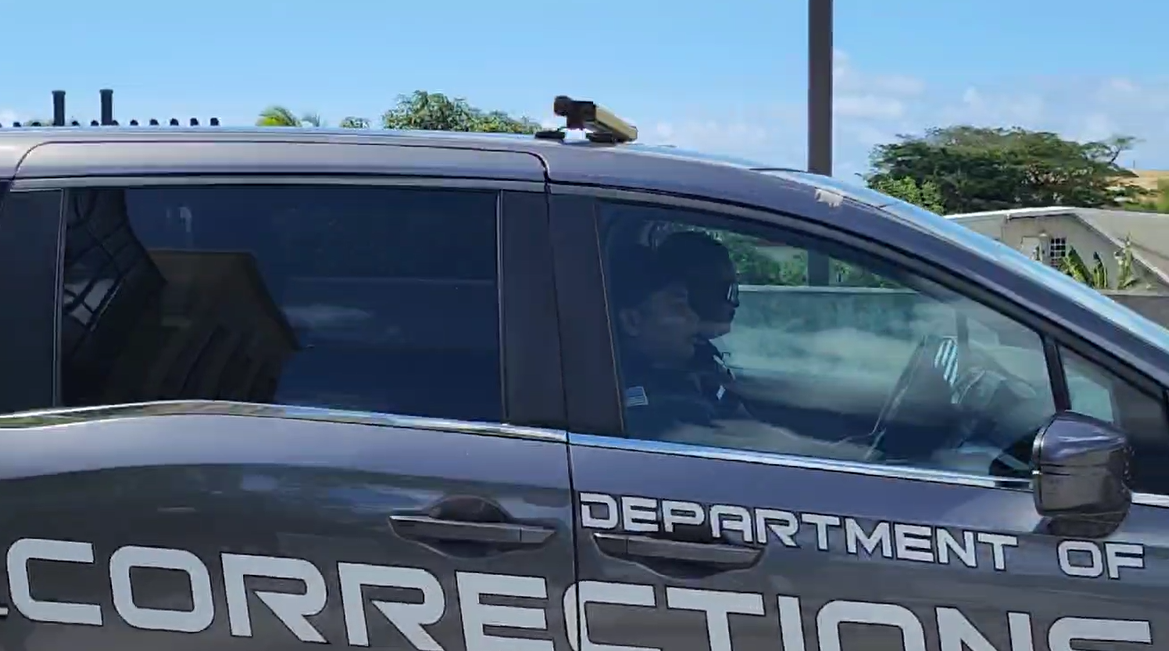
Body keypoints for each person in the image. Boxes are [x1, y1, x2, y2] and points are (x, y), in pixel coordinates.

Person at [609, 244, 747, 438]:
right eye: (679, 306)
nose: (694, 317)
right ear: (632, 321)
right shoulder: (646, 405)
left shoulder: (695, 366)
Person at [655, 230, 744, 413]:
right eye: (726, 290)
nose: (735, 303)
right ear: (692, 292)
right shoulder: (666, 374)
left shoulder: (701, 356)